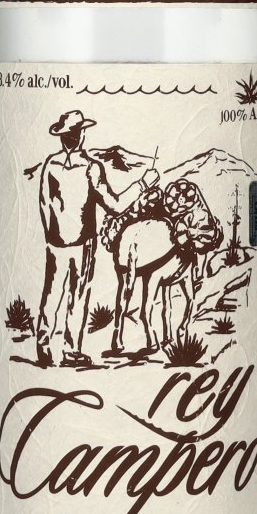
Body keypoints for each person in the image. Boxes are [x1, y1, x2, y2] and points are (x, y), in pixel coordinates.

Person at [35, 110, 158, 367]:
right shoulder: (91, 168)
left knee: (51, 292)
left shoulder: (50, 165)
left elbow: (44, 203)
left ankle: (44, 347)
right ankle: (71, 351)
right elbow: (115, 205)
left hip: (55, 242)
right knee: (78, 295)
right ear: (80, 135)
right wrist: (143, 184)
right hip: (83, 242)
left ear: (63, 137)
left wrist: (51, 234)